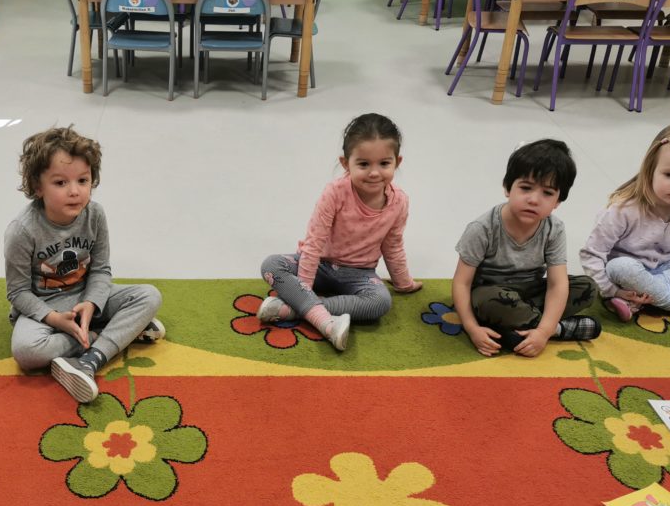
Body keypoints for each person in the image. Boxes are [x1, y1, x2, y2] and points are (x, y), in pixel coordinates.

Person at [5, 125, 163, 403]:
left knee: (149, 295)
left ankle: (91, 359)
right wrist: (55, 319)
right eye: (60, 183)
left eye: (83, 180)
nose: (75, 191)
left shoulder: (96, 215)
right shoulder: (22, 230)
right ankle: (109, 334)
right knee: (26, 352)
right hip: (44, 308)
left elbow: (101, 270)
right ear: (38, 186)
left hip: (86, 297)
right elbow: (18, 292)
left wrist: (90, 304)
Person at [257, 113, 421, 352]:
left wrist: (404, 283)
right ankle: (324, 320)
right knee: (271, 264)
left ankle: (292, 309)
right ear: (346, 163)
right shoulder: (335, 193)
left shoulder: (399, 202)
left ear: (397, 162)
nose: (374, 173)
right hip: (321, 265)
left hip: (360, 273)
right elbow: (314, 243)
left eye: (384, 164)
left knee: (380, 302)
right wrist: (304, 287)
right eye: (363, 164)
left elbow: (393, 246)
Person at [452, 139, 600, 358]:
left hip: (530, 292)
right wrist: (472, 328)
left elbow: (557, 284)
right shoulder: (483, 228)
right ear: (507, 188)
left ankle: (519, 331)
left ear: (558, 201)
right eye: (526, 188)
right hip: (491, 294)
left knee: (588, 287)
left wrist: (543, 332)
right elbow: (461, 283)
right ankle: (560, 329)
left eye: (547, 193)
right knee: (490, 302)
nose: (534, 200)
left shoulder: (554, 229)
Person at [580, 124, 670, 326]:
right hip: (625, 276)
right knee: (621, 266)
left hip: (666, 272)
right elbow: (592, 254)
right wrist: (611, 291)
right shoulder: (623, 209)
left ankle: (649, 298)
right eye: (669, 174)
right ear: (651, 169)